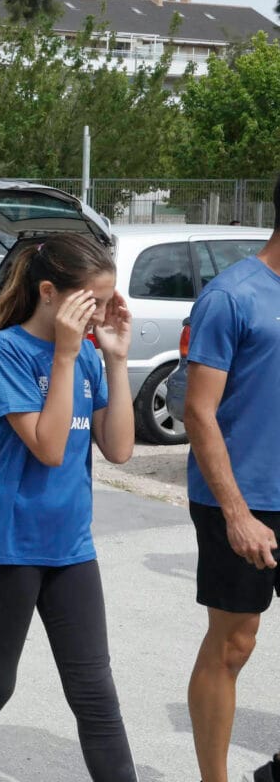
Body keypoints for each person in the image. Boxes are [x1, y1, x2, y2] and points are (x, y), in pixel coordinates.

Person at [0, 233, 137, 782]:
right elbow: (47, 447)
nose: (101, 312)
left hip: (72, 547)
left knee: (96, 695)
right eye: (92, 300)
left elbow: (118, 449)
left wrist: (114, 360)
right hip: (11, 546)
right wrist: (67, 355)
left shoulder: (90, 353)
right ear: (50, 292)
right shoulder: (7, 351)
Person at [184, 176, 280, 782]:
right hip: (243, 498)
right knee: (234, 642)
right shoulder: (231, 295)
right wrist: (237, 513)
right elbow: (198, 411)